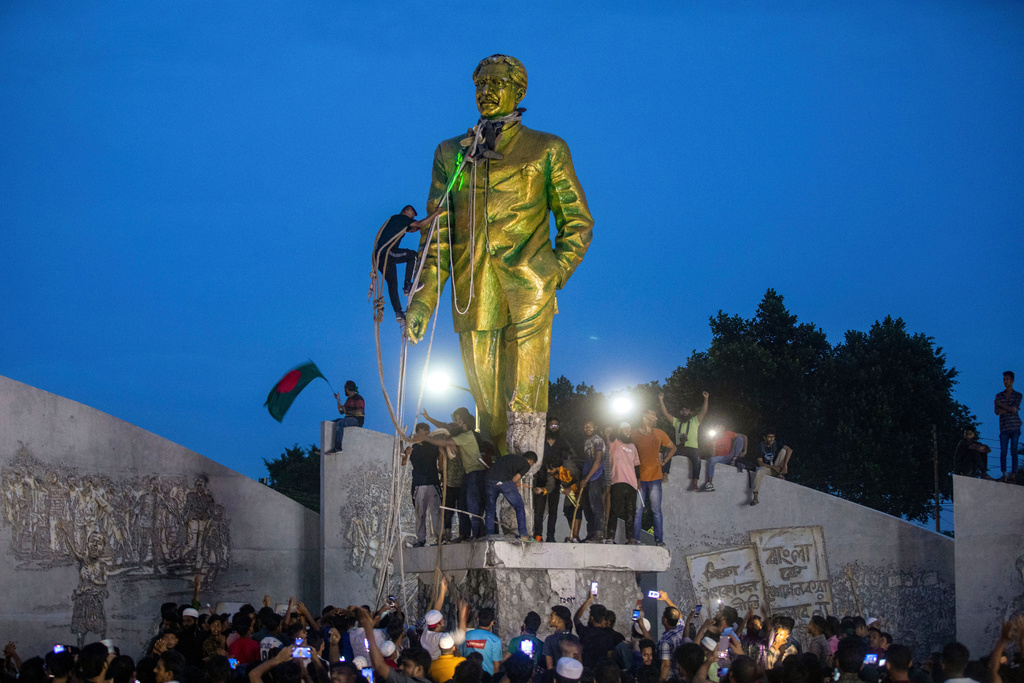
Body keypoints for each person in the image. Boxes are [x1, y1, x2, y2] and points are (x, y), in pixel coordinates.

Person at [404, 54, 593, 455]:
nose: (486, 92)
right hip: (472, 291)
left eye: (496, 84)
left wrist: (552, 274)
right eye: (480, 85)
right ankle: (490, 498)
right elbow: (438, 231)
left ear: (518, 92)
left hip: (530, 290)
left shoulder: (547, 148)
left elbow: (578, 222)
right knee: (487, 406)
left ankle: (521, 486)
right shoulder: (451, 152)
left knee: (524, 400)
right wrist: (423, 300)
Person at [418, 408, 487, 539]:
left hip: (475, 472)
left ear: (465, 423)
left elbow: (445, 441)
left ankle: (478, 534)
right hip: (468, 473)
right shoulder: (460, 433)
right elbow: (445, 427)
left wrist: (425, 438)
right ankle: (464, 534)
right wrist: (429, 419)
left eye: (458, 420)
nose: (455, 422)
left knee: (472, 504)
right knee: (462, 505)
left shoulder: (467, 435)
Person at [374, 205, 443, 324]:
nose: (411, 220)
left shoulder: (396, 222)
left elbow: (413, 228)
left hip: (379, 258)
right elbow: (419, 225)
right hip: (387, 253)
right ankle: (408, 286)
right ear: (406, 212)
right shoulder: (400, 218)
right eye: (411, 217)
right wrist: (435, 214)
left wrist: (426, 222)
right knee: (412, 255)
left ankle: (398, 313)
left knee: (392, 284)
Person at [631, 409, 676, 546]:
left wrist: (664, 461)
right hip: (638, 478)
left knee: (656, 510)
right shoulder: (634, 434)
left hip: (655, 477)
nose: (656, 417)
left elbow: (673, 447)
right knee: (637, 510)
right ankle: (635, 539)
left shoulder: (659, 433)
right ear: (645, 418)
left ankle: (659, 540)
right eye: (653, 414)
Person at [534, 417, 576, 542]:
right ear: (547, 427)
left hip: (556, 479)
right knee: (538, 510)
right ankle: (538, 536)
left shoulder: (563, 442)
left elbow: (573, 455)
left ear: (559, 427)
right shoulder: (541, 440)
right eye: (551, 425)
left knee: (553, 510)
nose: (554, 427)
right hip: (541, 477)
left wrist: (560, 467)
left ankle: (550, 536)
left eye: (556, 425)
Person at [403, 423, 443, 547]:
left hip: (433, 482)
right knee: (420, 513)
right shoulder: (412, 447)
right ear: (420, 431)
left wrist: (441, 458)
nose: (427, 433)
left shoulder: (433, 447)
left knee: (436, 512)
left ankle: (439, 538)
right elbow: (403, 463)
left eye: (427, 431)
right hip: (418, 484)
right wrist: (406, 454)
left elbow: (441, 463)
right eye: (425, 431)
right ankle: (421, 539)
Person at [659, 391, 709, 490]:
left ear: (690, 412)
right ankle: (665, 475)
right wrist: (661, 400)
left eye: (686, 411)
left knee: (697, 459)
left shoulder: (695, 420)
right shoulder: (676, 421)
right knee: (668, 452)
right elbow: (666, 413)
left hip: (692, 448)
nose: (684, 412)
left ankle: (695, 482)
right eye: (682, 411)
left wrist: (706, 398)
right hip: (679, 447)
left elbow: (703, 411)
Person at [484, 450, 537, 540]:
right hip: (503, 482)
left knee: (490, 508)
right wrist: (513, 485)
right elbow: (515, 479)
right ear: (531, 461)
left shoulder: (510, 458)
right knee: (519, 505)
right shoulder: (526, 464)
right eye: (532, 464)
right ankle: (523, 534)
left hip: (490, 480)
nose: (531, 466)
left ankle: (489, 535)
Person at [606, 423, 641, 545]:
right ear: (619, 431)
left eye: (630, 429)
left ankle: (630, 538)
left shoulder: (632, 447)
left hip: (632, 483)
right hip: (617, 480)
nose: (628, 431)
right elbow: (611, 436)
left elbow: (636, 466)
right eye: (626, 429)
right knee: (615, 509)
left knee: (630, 511)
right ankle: (610, 537)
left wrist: (638, 481)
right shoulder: (614, 443)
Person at [749, 429, 792, 506]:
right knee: (759, 471)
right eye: (769, 437)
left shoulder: (776, 444)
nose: (772, 439)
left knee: (784, 451)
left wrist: (785, 465)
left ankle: (779, 474)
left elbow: (790, 450)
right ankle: (755, 497)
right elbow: (760, 463)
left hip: (777, 468)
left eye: (773, 437)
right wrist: (773, 467)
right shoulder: (760, 447)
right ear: (765, 438)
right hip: (767, 468)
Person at [581, 421, 607, 543]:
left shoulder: (597, 440)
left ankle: (598, 534)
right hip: (587, 477)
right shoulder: (586, 442)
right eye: (585, 426)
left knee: (596, 506)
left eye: (590, 426)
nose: (587, 428)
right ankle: (591, 534)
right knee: (588, 508)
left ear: (595, 427)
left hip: (595, 477)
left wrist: (587, 478)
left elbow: (597, 460)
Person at [994, 371, 1021, 482]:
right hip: (1004, 427)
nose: (1005, 381)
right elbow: (997, 412)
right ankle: (1004, 474)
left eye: (1007, 379)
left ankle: (1013, 475)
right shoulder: (999, 395)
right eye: (1004, 379)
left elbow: (1014, 409)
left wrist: (1001, 405)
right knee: (1003, 451)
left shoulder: (1017, 395)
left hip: (1014, 426)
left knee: (1014, 451)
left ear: (1012, 381)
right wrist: (1009, 409)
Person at [703, 426, 747, 492]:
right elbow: (713, 455)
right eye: (716, 428)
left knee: (740, 438)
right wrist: (714, 443)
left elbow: (744, 436)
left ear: (723, 428)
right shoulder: (712, 438)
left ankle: (735, 459)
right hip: (720, 458)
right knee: (712, 459)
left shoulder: (728, 433)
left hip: (729, 456)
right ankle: (710, 483)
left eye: (720, 428)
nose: (718, 429)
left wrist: (745, 451)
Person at [461, 608, 502, 675]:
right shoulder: (495, 640)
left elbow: (460, 656)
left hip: (467, 676)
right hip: (486, 678)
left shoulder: (465, 636)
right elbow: (496, 668)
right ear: (492, 622)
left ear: (477, 619)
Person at [330, 381, 365, 453]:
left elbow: (359, 411)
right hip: (348, 419)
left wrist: (347, 411)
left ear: (347, 389)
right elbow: (341, 411)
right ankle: (327, 446)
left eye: (345, 389)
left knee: (340, 423)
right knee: (331, 423)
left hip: (357, 421)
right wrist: (338, 400)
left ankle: (338, 448)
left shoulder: (358, 398)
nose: (344, 391)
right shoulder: (348, 400)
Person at [543, 606, 580, 670]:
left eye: (551, 616)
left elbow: (549, 667)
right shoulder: (575, 639)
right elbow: (579, 664)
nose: (549, 619)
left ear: (559, 620)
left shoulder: (550, 640)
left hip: (556, 677)